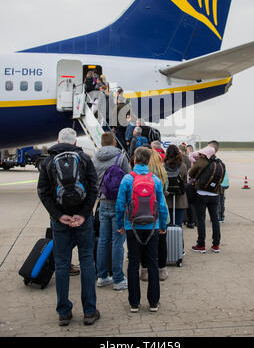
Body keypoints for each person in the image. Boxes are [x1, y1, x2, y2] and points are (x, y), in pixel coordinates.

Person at [37, 128, 100, 326]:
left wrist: (59, 215)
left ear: (57, 140)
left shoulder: (47, 161)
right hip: (83, 220)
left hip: (60, 221)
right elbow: (93, 188)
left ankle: (64, 312)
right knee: (87, 261)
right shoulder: (84, 158)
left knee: (62, 264)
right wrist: (82, 215)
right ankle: (89, 311)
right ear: (74, 142)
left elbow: (43, 192)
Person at [115, 147, 168, 313]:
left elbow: (119, 205)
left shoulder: (127, 179)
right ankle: (153, 302)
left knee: (133, 262)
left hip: (132, 227)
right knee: (152, 262)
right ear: (148, 161)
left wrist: (120, 225)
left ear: (135, 160)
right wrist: (163, 226)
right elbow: (161, 206)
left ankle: (134, 303)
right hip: (152, 226)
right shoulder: (155, 180)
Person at [93, 132, 131, 290]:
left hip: (102, 203)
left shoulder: (94, 159)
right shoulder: (120, 157)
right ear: (114, 143)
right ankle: (118, 278)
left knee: (103, 240)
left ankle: (102, 276)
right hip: (118, 204)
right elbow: (128, 179)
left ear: (101, 143)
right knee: (117, 242)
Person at [140, 150, 170, 282]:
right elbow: (165, 190)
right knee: (161, 243)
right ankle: (162, 270)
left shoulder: (142, 174)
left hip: (143, 210)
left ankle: (145, 270)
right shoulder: (162, 173)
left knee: (143, 243)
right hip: (159, 210)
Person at [188, 146, 224, 254]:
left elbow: (191, 173)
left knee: (201, 219)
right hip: (215, 194)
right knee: (215, 220)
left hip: (201, 194)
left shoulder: (201, 161)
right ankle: (216, 244)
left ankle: (201, 245)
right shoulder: (219, 163)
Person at [164, 145, 188, 228]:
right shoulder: (183, 166)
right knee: (178, 224)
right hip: (179, 198)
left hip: (167, 197)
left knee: (167, 224)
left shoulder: (163, 166)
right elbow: (185, 180)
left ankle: (168, 241)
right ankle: (178, 240)